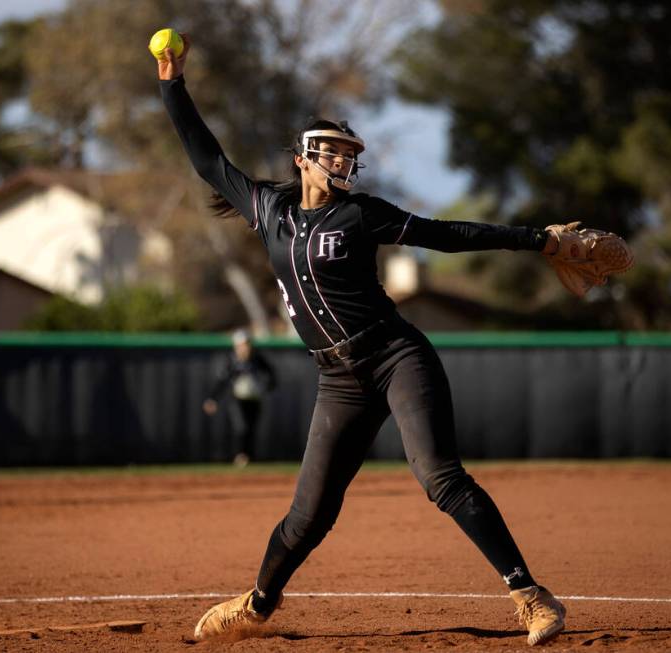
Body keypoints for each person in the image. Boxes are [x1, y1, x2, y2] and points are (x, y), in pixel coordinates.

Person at [156, 36, 568, 646]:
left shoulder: (363, 213)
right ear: (303, 158)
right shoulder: (268, 208)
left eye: (350, 154)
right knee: (308, 517)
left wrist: (538, 239)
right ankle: (257, 606)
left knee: (439, 477)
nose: (345, 162)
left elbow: (447, 234)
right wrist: (173, 83)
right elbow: (205, 158)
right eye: (333, 152)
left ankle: (531, 597)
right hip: (338, 378)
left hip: (396, 355)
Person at [203, 329, 277, 466]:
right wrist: (212, 399)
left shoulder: (257, 359)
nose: (245, 348)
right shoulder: (232, 361)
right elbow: (222, 381)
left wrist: (267, 385)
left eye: (247, 344)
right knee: (241, 427)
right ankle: (240, 456)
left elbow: (271, 375)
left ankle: (250, 457)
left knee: (251, 428)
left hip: (254, 398)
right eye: (242, 345)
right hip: (237, 399)